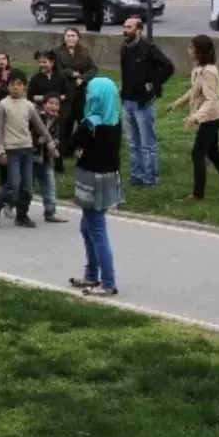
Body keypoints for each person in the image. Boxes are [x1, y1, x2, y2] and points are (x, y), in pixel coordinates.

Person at [69, 77, 124, 297]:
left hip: (91, 177)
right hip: (109, 176)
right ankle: (91, 274)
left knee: (97, 229)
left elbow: (69, 146)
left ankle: (108, 282)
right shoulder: (115, 120)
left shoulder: (89, 124)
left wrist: (77, 149)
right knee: (88, 226)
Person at [167, 34, 219, 202]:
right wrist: (177, 103)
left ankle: (198, 195)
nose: (188, 50)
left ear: (199, 51)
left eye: (191, 48)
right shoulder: (199, 69)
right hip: (211, 116)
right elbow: (195, 91)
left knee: (198, 154)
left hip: (212, 118)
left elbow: (211, 99)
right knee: (213, 152)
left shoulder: (209, 72)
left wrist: (196, 118)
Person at [0, 70, 57, 228]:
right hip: (11, 150)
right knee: (13, 184)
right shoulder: (2, 106)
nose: (15, 88)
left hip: (27, 149)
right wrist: (0, 151)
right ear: (8, 86)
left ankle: (21, 215)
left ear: (24, 87)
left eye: (19, 85)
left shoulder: (29, 105)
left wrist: (50, 142)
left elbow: (40, 126)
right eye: (13, 85)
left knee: (27, 186)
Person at [120, 17, 175, 187]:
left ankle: (151, 179)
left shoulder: (148, 49)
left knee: (147, 143)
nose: (125, 30)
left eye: (129, 27)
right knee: (132, 142)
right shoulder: (125, 49)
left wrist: (153, 85)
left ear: (139, 30)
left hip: (143, 103)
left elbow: (168, 67)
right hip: (127, 100)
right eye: (124, 27)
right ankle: (137, 176)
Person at [55, 27, 98, 150]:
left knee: (81, 117)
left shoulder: (84, 51)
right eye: (68, 35)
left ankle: (82, 146)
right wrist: (71, 73)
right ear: (64, 37)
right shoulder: (57, 52)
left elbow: (93, 69)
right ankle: (64, 147)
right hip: (65, 89)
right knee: (65, 119)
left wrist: (83, 78)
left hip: (80, 90)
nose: (70, 38)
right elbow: (55, 69)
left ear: (78, 38)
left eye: (73, 35)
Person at [34, 94, 67, 224]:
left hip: (46, 158)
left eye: (56, 104)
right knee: (24, 186)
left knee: (50, 184)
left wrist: (55, 147)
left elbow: (57, 137)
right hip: (33, 156)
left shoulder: (57, 120)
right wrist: (38, 141)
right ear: (44, 104)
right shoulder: (36, 117)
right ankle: (11, 205)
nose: (54, 106)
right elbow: (28, 133)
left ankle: (50, 212)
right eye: (51, 103)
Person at [27, 50, 73, 118]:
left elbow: (69, 94)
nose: (41, 65)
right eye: (39, 62)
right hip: (40, 114)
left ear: (52, 62)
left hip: (58, 114)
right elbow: (30, 96)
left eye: (44, 62)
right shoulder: (35, 79)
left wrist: (58, 99)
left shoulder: (60, 77)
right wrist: (44, 98)